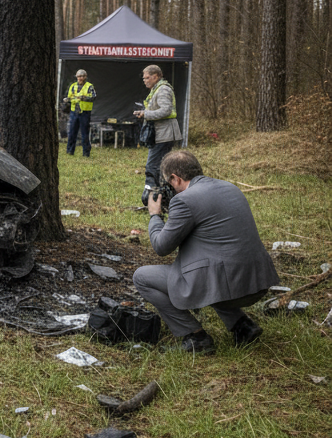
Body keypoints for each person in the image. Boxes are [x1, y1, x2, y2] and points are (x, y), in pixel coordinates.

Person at [133, 150, 278, 355]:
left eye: (167, 183)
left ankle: (195, 336)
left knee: (141, 277)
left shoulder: (184, 201)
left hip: (231, 289)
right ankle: (242, 326)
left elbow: (161, 247)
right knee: (211, 267)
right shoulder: (230, 187)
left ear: (175, 178)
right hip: (256, 283)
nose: (168, 189)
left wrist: (155, 215)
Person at [134, 64, 181, 189]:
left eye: (147, 77)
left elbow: (166, 110)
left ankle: (153, 194)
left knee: (153, 165)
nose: (144, 80)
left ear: (155, 77)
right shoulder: (156, 89)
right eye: (144, 78)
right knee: (161, 165)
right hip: (160, 132)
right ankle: (163, 192)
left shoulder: (163, 89)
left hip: (165, 133)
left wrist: (146, 113)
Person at [65, 68, 97, 157]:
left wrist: (84, 98)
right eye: (79, 76)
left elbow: (94, 97)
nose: (81, 78)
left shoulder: (89, 86)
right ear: (76, 77)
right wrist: (67, 100)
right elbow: (69, 97)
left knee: (84, 134)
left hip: (85, 113)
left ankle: (86, 153)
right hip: (74, 112)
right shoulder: (73, 86)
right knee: (72, 132)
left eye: (82, 76)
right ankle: (70, 151)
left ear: (85, 77)